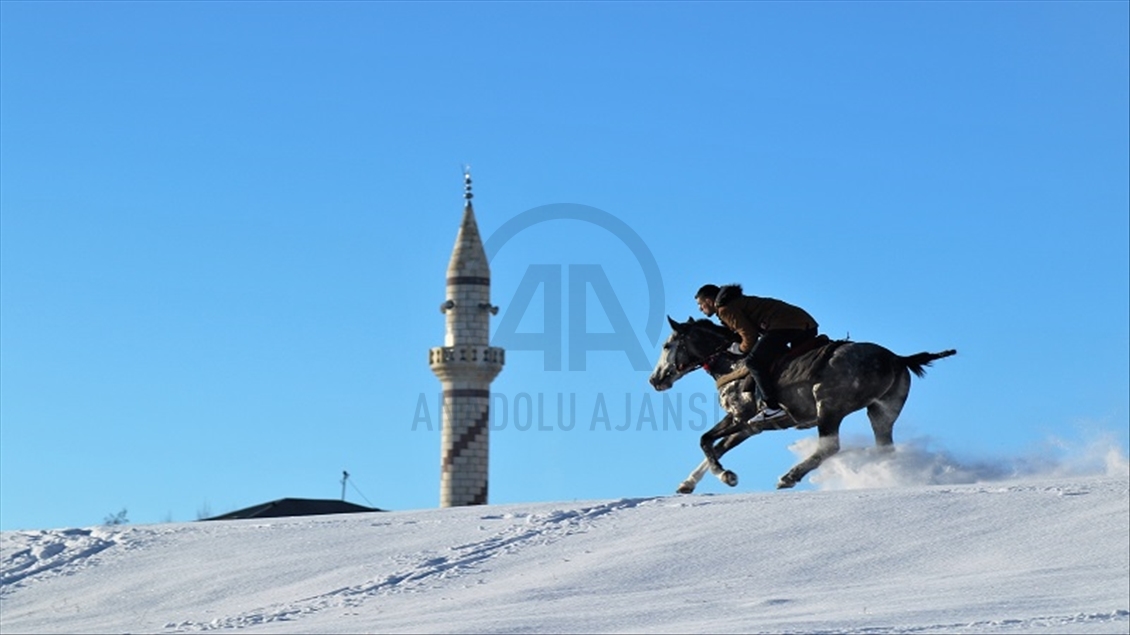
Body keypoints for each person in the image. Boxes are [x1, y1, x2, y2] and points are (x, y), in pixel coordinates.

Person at [695, 283, 819, 424]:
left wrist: (740, 349)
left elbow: (749, 335)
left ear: (709, 301)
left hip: (785, 326)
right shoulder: (733, 303)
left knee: (753, 362)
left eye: (700, 304)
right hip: (806, 324)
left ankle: (772, 408)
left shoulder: (725, 309)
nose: (700, 308)